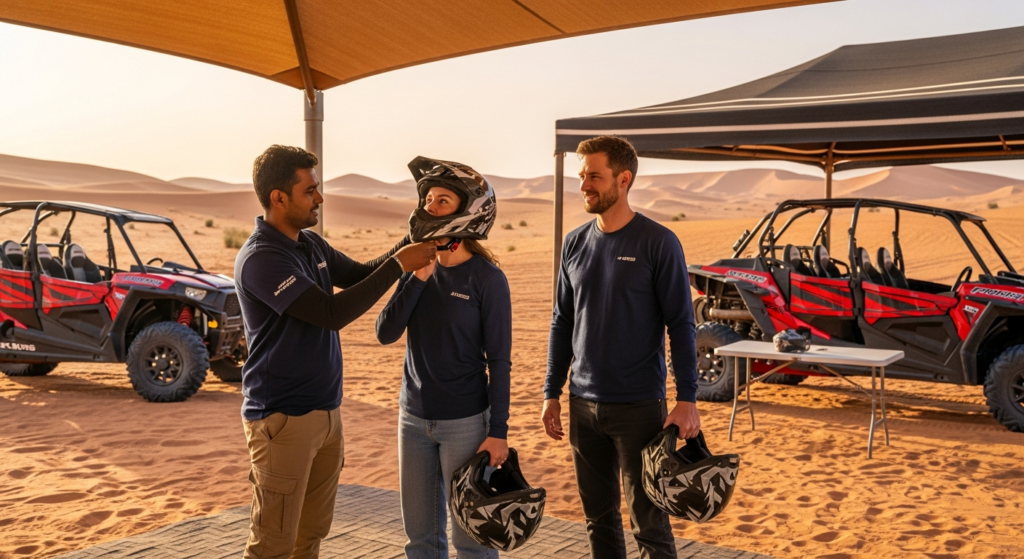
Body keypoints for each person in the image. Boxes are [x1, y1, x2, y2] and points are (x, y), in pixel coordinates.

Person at [235, 145, 436, 558]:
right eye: (310, 191)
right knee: (272, 545)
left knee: (310, 538)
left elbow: (362, 274)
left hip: (326, 416)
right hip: (282, 420)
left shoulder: (311, 244)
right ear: (279, 198)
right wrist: (401, 264)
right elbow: (331, 313)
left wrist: (414, 236)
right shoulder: (261, 259)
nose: (320, 199)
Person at [542, 136, 700, 559]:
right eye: (582, 176)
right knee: (599, 520)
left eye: (594, 176)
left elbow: (682, 324)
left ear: (624, 179)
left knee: (649, 522)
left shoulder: (658, 242)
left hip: (638, 408)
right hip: (582, 405)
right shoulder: (574, 243)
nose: (584, 186)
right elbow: (562, 322)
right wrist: (551, 392)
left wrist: (687, 398)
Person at [376, 156, 511, 559]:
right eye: (428, 199)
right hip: (412, 420)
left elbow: (500, 360)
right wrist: (417, 277)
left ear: (468, 211)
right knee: (420, 541)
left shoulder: (487, 279)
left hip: (466, 426)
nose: (429, 208)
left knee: (471, 541)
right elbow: (385, 332)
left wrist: (498, 430)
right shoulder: (415, 267)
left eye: (442, 201)